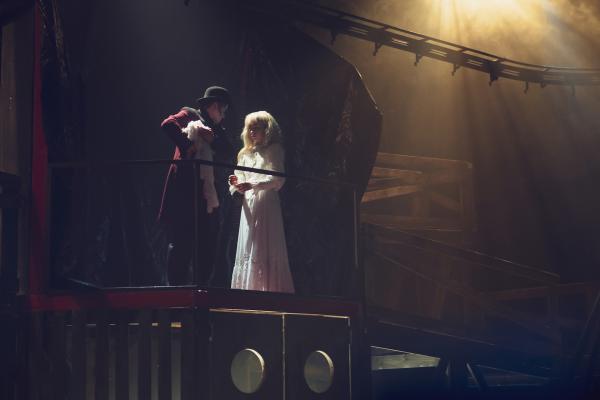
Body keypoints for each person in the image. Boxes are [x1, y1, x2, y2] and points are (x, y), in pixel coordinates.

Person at [158, 86, 233, 286]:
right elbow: (168, 124)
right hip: (185, 193)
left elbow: (228, 153)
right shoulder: (190, 115)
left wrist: (212, 140)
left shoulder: (218, 131)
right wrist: (188, 144)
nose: (223, 116)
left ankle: (200, 293)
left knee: (207, 247)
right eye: (223, 110)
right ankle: (176, 295)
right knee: (181, 244)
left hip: (206, 197)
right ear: (215, 106)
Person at [228, 111, 295, 293]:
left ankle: (270, 293)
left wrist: (254, 184)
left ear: (267, 129)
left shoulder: (273, 150)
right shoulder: (244, 154)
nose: (252, 132)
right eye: (250, 128)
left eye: (256, 128)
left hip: (266, 203)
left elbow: (278, 179)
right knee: (249, 245)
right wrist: (235, 184)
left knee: (265, 245)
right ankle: (249, 292)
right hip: (249, 206)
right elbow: (239, 176)